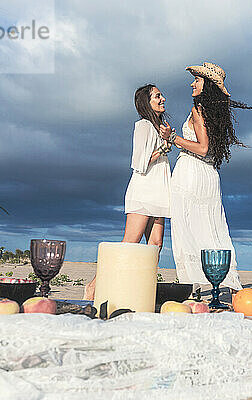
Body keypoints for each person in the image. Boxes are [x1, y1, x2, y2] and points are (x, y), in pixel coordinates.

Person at [162, 62, 252, 295]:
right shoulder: (214, 112)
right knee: (212, 227)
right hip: (208, 175)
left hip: (192, 172)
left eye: (197, 80)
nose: (192, 83)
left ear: (206, 85)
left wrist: (173, 137)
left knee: (187, 227)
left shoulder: (198, 109)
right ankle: (222, 283)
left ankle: (193, 284)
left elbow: (203, 148)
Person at [84, 84, 172, 300]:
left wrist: (166, 140)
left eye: (161, 95)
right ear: (146, 102)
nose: (162, 99)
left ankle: (142, 291)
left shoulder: (158, 126)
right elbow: (139, 163)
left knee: (156, 244)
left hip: (159, 191)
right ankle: (93, 286)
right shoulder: (143, 126)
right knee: (129, 243)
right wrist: (164, 146)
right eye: (157, 96)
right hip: (143, 190)